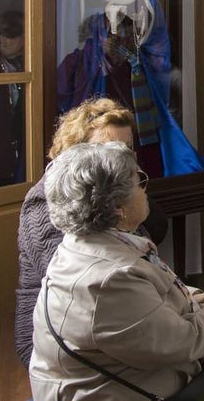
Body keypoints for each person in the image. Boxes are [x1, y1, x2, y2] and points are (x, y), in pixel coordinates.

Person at [28, 142, 204, 399]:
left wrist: (197, 299)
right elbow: (178, 341)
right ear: (116, 207)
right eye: (138, 182)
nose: (146, 190)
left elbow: (137, 315)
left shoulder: (89, 245)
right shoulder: (108, 279)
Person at [14, 98, 168, 368]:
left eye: (126, 149)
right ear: (75, 150)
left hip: (115, 310)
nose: (118, 157)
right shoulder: (43, 201)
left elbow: (149, 240)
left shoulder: (117, 188)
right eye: (106, 148)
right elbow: (86, 284)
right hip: (58, 333)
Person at [58, 0, 204, 178]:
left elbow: (149, 26)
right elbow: (81, 25)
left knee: (140, 122)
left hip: (130, 63)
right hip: (100, 67)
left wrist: (133, 36)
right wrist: (102, 44)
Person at [0, 10, 27, 186]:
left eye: (12, 36)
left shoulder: (28, 62)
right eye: (2, 35)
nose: (5, 41)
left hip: (21, 141)